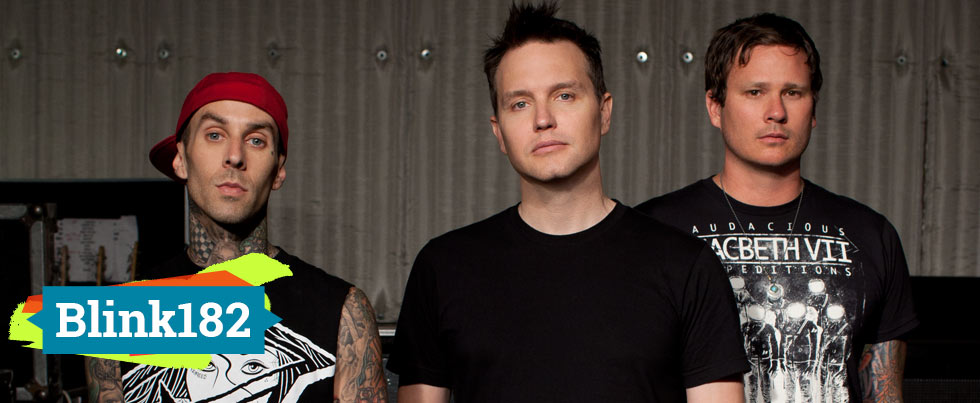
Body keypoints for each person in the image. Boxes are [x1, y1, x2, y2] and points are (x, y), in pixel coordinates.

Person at [387, 3, 748, 402]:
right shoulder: (443, 268)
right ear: (499, 132)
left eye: (564, 95)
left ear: (604, 113)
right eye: (520, 103)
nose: (543, 119)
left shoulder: (686, 267)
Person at [636, 13, 918, 402]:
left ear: (813, 109)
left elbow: (884, 391)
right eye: (755, 92)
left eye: (793, 92)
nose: (776, 112)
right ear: (715, 106)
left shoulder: (870, 235)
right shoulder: (653, 229)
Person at [85, 72, 387, 403]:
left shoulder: (343, 311)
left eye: (256, 140)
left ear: (278, 170)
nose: (235, 156)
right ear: (181, 159)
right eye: (215, 135)